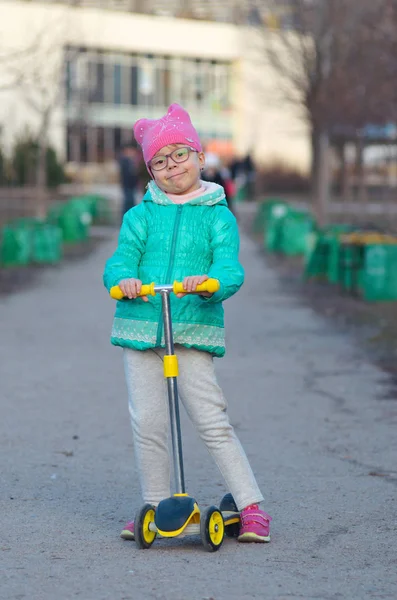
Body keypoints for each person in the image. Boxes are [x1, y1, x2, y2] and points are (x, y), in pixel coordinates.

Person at [103, 103, 271, 543]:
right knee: (148, 421)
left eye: (179, 154)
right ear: (150, 170)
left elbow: (230, 269)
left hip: (192, 327)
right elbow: (120, 261)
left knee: (211, 419)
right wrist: (124, 280)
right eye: (159, 161)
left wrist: (210, 283)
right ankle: (157, 505)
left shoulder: (217, 215)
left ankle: (250, 505)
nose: (171, 166)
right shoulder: (140, 216)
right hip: (141, 327)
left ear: (199, 156)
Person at [117, 143, 139, 218]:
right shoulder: (125, 161)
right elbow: (129, 174)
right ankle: (127, 218)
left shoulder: (128, 160)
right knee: (129, 202)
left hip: (130, 185)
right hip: (128, 185)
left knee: (129, 202)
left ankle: (128, 218)